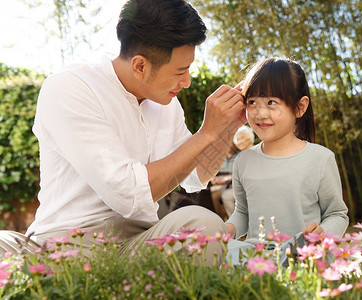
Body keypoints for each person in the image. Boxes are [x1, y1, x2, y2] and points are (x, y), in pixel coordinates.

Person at [16, 0, 246, 265]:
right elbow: (127, 194)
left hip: (138, 241)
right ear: (140, 66)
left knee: (205, 225)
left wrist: (227, 128)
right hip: (70, 243)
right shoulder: (70, 88)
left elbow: (195, 175)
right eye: (180, 71)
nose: (187, 82)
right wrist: (206, 133)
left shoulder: (166, 104)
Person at [225, 58, 349, 260]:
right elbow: (243, 213)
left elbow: (337, 215)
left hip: (302, 258)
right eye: (252, 102)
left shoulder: (320, 159)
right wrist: (225, 231)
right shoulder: (243, 161)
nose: (260, 113)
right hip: (258, 259)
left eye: (272, 102)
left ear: (300, 107)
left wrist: (321, 233)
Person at [210, 125, 255, 218]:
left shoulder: (242, 154)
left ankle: (235, 221)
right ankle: (221, 219)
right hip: (225, 184)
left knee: (226, 195)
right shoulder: (218, 157)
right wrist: (213, 179)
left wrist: (226, 179)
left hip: (235, 184)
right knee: (213, 193)